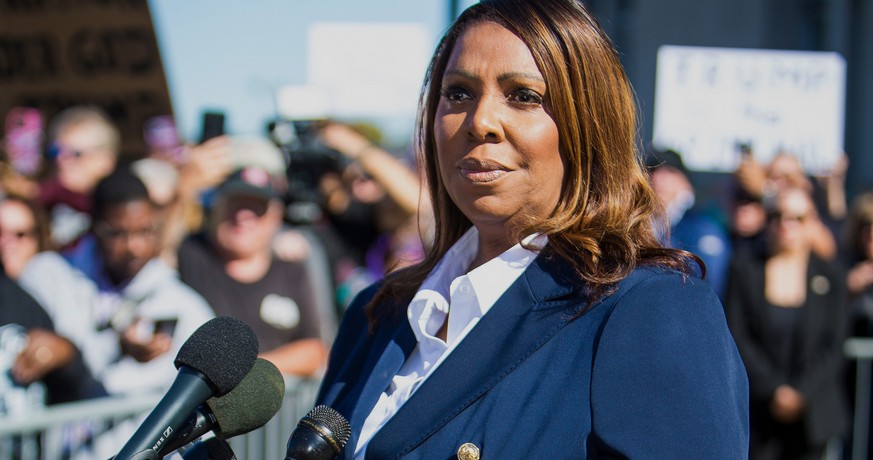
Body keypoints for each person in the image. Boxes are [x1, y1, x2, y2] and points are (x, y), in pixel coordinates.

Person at [314, 1, 749, 458]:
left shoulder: (651, 308)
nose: (480, 122)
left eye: (523, 95)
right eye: (458, 93)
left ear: (589, 125)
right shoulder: (377, 312)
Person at [18, 168, 215, 395]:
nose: (134, 247)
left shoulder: (177, 299)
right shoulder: (49, 275)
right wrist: (114, 347)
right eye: (118, 234)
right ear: (94, 227)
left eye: (145, 231)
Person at [725, 186, 849, 459]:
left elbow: (834, 344)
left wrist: (801, 392)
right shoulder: (745, 270)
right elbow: (737, 336)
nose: (785, 225)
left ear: (812, 222)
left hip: (812, 416)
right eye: (777, 216)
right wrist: (774, 389)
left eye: (797, 217)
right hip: (759, 413)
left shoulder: (831, 277)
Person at [177, 165, 329, 376]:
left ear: (274, 217)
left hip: (278, 407)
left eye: (256, 208)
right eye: (235, 204)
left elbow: (315, 351)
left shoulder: (291, 267)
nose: (243, 216)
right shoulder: (191, 255)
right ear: (217, 208)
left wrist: (243, 372)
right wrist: (185, 186)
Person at [646, 148, 732, 299]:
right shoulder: (640, 224)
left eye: (669, 171)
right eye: (653, 171)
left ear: (684, 181)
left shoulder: (701, 226)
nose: (658, 178)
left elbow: (708, 285)